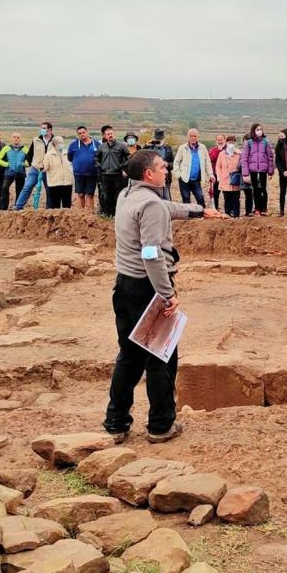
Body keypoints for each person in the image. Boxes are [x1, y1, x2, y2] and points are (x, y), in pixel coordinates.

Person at [104, 149, 224, 444]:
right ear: (148, 174)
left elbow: (166, 208)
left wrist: (198, 210)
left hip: (125, 286)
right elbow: (152, 254)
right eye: (162, 166)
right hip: (148, 288)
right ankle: (161, 425)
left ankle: (116, 422)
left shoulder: (128, 195)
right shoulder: (150, 205)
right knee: (160, 357)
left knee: (129, 356)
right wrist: (167, 295)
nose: (166, 169)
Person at [14, 122, 54, 211]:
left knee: (49, 189)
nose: (42, 130)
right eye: (41, 128)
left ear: (50, 129)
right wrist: (29, 163)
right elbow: (30, 153)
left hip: (48, 170)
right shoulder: (36, 140)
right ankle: (18, 207)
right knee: (27, 186)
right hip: (35, 169)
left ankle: (49, 209)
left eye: (44, 128)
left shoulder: (55, 141)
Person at [173, 129, 213, 208]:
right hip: (184, 178)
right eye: (191, 136)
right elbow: (176, 162)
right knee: (186, 198)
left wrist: (210, 174)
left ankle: (202, 214)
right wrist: (178, 175)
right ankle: (188, 217)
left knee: (200, 197)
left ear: (198, 137)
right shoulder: (182, 148)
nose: (193, 138)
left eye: (195, 136)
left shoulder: (202, 148)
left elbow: (207, 162)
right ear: (188, 137)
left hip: (196, 179)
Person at [96, 126, 130, 217]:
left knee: (117, 195)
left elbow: (128, 158)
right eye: (108, 134)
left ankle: (117, 214)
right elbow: (96, 158)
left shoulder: (121, 146)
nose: (110, 135)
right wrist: (100, 166)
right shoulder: (102, 147)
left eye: (111, 133)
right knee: (106, 195)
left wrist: (121, 166)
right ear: (105, 136)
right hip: (105, 174)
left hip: (117, 174)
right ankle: (107, 214)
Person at [240, 123, 274, 216]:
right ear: (253, 131)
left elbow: (270, 157)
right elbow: (245, 158)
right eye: (257, 129)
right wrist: (245, 173)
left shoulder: (266, 142)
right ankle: (257, 208)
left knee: (263, 189)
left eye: (260, 129)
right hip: (253, 169)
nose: (259, 131)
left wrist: (270, 171)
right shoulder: (249, 143)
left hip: (263, 169)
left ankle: (264, 208)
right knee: (255, 189)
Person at [69, 126, 100, 211]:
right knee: (80, 194)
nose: (82, 134)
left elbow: (100, 157)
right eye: (80, 133)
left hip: (92, 173)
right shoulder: (73, 145)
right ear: (78, 135)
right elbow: (70, 157)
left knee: (90, 194)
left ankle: (90, 215)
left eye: (83, 132)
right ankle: (80, 214)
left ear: (87, 132)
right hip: (79, 174)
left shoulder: (97, 144)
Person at [0, 133, 29, 211]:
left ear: (20, 139)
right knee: (4, 188)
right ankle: (3, 208)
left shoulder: (25, 149)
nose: (16, 139)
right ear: (11, 138)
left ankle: (18, 207)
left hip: (21, 173)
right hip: (9, 172)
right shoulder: (6, 148)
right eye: (14, 137)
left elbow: (30, 160)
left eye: (18, 137)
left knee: (20, 190)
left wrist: (24, 164)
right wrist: (7, 164)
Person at [213, 135, 243, 218]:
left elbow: (242, 166)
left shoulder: (239, 153)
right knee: (227, 199)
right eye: (230, 142)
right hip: (225, 180)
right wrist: (219, 177)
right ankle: (227, 214)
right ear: (226, 143)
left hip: (235, 180)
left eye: (233, 142)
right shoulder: (222, 154)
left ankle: (236, 215)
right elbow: (218, 166)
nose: (231, 144)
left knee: (236, 199)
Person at [43, 135, 74, 209]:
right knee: (55, 206)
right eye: (59, 143)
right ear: (54, 144)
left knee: (67, 206)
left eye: (62, 142)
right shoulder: (49, 155)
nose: (61, 144)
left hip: (67, 183)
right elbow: (45, 168)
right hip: (55, 184)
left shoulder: (67, 153)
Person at [143, 130, 175, 200]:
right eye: (157, 139)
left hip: (165, 178)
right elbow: (141, 157)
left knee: (167, 197)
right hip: (152, 178)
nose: (158, 141)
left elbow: (173, 164)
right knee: (153, 198)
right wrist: (146, 145)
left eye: (160, 139)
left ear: (163, 139)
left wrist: (168, 165)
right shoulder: (149, 148)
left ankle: (167, 210)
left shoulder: (168, 149)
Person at [208, 135, 226, 210]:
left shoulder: (229, 149)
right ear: (216, 141)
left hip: (226, 175)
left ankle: (228, 210)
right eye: (218, 140)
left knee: (227, 193)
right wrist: (219, 151)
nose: (220, 141)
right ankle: (215, 209)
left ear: (224, 140)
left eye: (221, 140)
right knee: (215, 193)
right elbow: (210, 159)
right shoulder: (213, 150)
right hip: (216, 175)